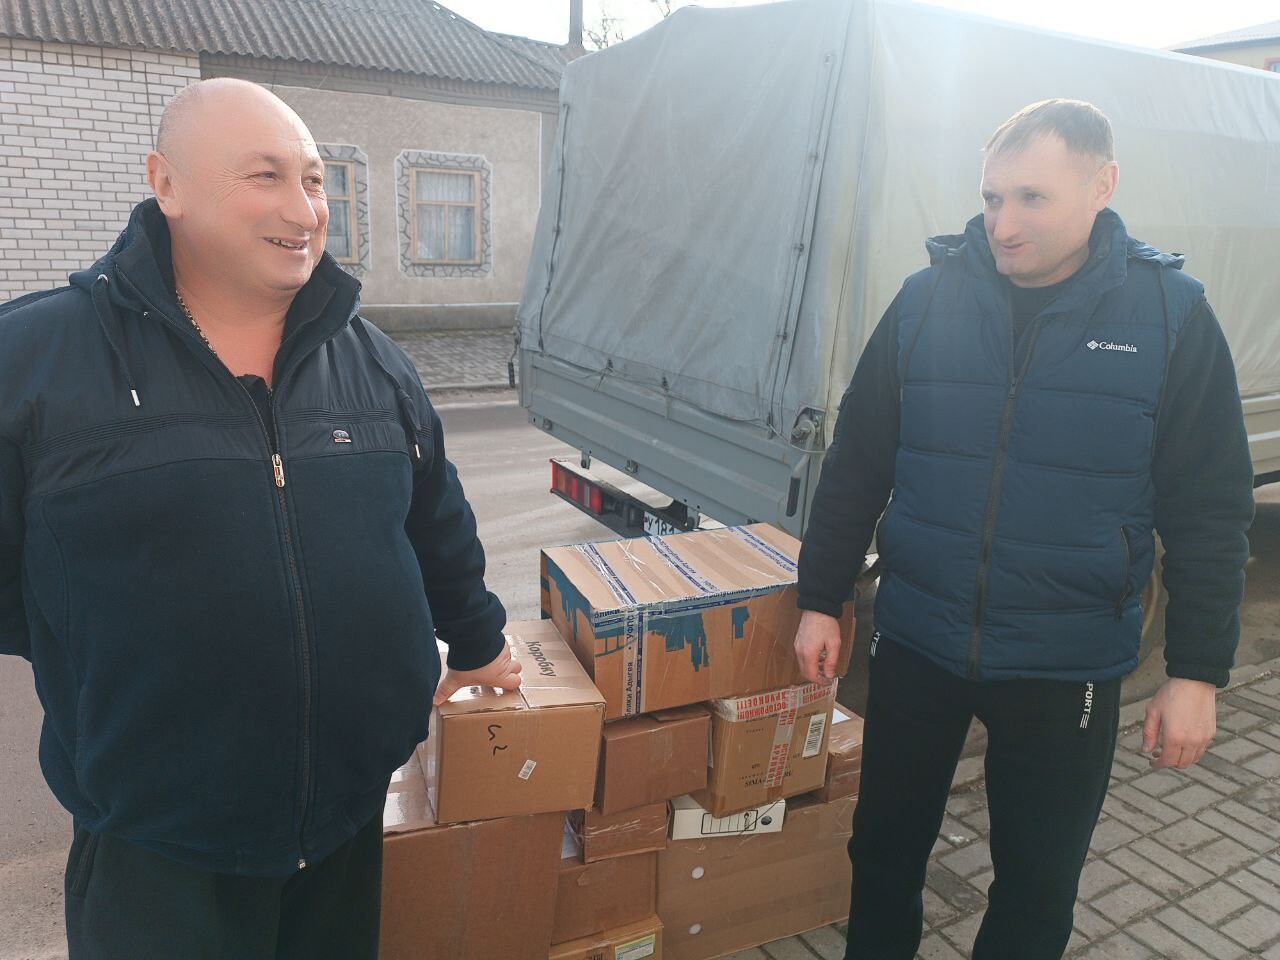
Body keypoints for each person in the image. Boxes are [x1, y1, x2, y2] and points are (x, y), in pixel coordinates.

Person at [0, 78, 520, 959]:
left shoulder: (372, 360)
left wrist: (477, 640)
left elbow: (435, 521)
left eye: (314, 180)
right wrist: (91, 657)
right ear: (166, 184)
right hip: (160, 849)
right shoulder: (37, 360)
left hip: (347, 819)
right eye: (264, 176)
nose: (303, 209)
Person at [792, 99, 1254, 960]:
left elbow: (1210, 509)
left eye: (1032, 198)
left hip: (1066, 662)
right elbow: (857, 463)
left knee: (1037, 887)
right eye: (992, 197)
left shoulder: (1170, 317)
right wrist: (821, 597)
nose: (1003, 225)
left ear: (1102, 186)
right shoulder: (926, 302)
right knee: (882, 854)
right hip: (919, 641)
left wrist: (1196, 672)